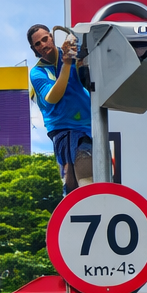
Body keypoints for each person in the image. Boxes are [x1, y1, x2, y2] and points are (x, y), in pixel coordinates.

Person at [27, 23, 93, 190]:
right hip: (65, 131)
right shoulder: (38, 73)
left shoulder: (72, 56)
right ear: (33, 49)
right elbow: (52, 97)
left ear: (51, 37)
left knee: (99, 176)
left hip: (91, 127)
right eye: (37, 44)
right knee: (76, 182)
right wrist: (67, 64)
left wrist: (74, 61)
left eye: (44, 39)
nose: (43, 45)